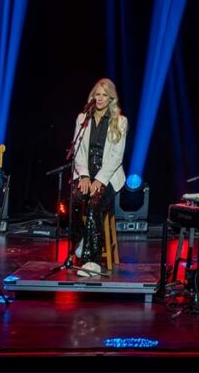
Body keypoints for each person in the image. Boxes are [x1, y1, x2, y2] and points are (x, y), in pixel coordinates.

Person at [70, 78, 128, 277]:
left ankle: (92, 261)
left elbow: (116, 157)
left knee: (94, 204)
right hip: (86, 173)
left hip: (108, 177)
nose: (101, 98)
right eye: (98, 94)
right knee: (73, 200)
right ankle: (82, 240)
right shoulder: (82, 118)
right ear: (92, 96)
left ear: (111, 98)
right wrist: (84, 175)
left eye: (105, 95)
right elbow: (77, 151)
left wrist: (99, 180)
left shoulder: (120, 121)